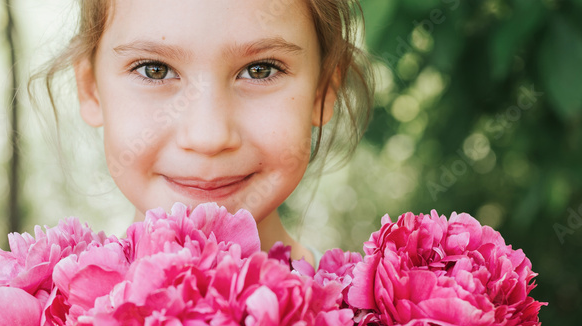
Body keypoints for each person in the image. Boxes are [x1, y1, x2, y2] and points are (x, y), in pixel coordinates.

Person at [34, 0, 375, 265]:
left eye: (259, 70)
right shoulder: (38, 319)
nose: (208, 138)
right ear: (90, 88)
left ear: (323, 89)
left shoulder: (381, 319)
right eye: (155, 70)